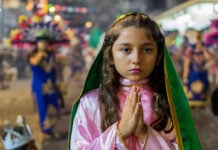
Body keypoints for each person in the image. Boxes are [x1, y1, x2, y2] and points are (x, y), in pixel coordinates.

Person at [68, 12, 201, 149]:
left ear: (159, 56)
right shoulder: (91, 104)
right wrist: (119, 132)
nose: (136, 59)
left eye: (147, 50)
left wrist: (144, 133)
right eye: (126, 49)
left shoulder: (169, 103)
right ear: (111, 55)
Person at [27, 31, 61, 141]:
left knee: (54, 109)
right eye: (41, 42)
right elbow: (35, 62)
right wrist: (41, 54)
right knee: (42, 110)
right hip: (39, 87)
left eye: (45, 41)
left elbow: (55, 69)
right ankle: (45, 132)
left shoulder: (51, 54)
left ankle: (50, 130)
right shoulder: (32, 55)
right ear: (36, 43)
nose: (43, 44)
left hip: (51, 86)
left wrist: (59, 81)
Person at [183, 31, 212, 106]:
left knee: (203, 96)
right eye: (197, 42)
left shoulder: (204, 51)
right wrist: (185, 78)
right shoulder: (190, 52)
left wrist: (204, 49)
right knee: (193, 95)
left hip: (203, 75)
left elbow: (209, 59)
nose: (198, 44)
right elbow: (186, 66)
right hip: (193, 76)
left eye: (200, 42)